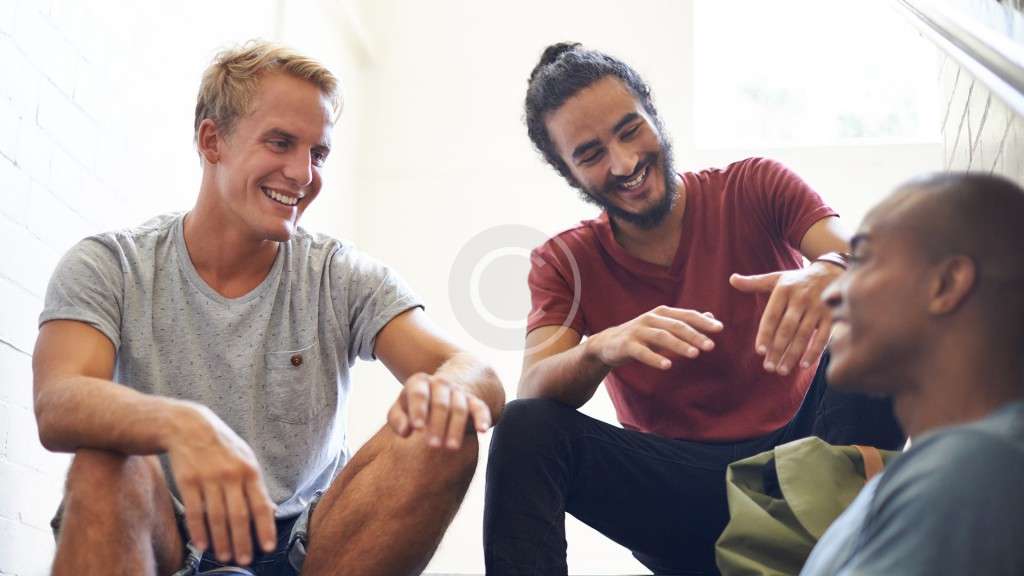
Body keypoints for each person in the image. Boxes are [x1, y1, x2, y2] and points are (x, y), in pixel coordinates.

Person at [33, 41, 504, 576]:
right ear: (212, 140)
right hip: (165, 543)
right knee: (103, 459)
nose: (302, 173)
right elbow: (59, 401)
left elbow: (481, 375)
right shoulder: (113, 264)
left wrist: (447, 388)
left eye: (317, 154)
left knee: (444, 432)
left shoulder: (338, 273)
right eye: (280, 143)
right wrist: (181, 424)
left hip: (309, 549)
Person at [483, 42, 902, 575]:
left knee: (877, 311)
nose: (624, 163)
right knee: (525, 426)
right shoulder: (564, 261)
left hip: (810, 458)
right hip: (682, 496)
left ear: (653, 113)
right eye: (590, 155)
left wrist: (833, 268)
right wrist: (602, 348)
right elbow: (534, 386)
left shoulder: (755, 185)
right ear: (567, 172)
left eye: (630, 130)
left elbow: (870, 261)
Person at [800, 173, 1024, 575]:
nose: (832, 293)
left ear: (946, 284)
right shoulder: (931, 472)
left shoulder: (975, 469)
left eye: (862, 260)